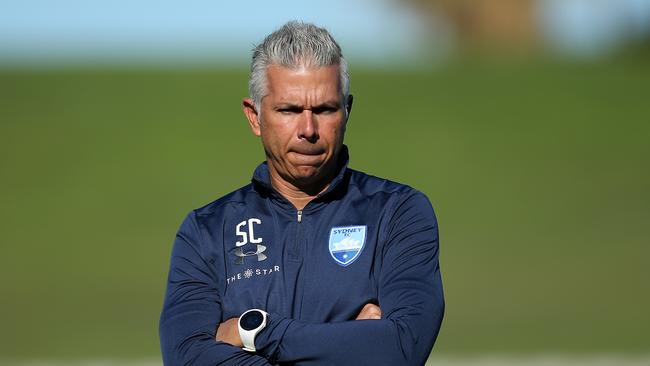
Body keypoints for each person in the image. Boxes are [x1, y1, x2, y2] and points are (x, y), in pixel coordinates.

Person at [159, 21, 444, 366]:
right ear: (255, 116)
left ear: (347, 110)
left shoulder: (398, 213)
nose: (308, 130)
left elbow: (401, 348)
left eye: (324, 110)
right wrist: (349, 345)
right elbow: (187, 357)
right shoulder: (206, 230)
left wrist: (258, 331)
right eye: (289, 110)